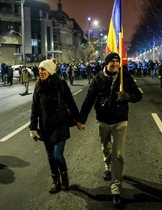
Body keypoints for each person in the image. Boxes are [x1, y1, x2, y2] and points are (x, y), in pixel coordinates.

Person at [77, 52, 142, 205]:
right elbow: (88, 100)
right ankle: (108, 166)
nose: (114, 63)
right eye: (111, 61)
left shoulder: (124, 76)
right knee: (106, 148)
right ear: (106, 63)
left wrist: (128, 96)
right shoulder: (98, 79)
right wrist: (81, 119)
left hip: (120, 121)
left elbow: (138, 95)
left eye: (116, 61)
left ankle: (116, 187)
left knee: (118, 155)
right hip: (103, 120)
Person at [29, 59, 79, 194]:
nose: (40, 72)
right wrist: (33, 128)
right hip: (46, 127)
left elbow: (71, 103)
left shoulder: (61, 85)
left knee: (57, 155)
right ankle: (55, 180)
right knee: (50, 156)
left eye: (43, 69)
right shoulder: (38, 87)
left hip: (60, 126)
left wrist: (79, 120)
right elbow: (34, 108)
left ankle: (64, 178)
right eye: (39, 69)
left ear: (50, 71)